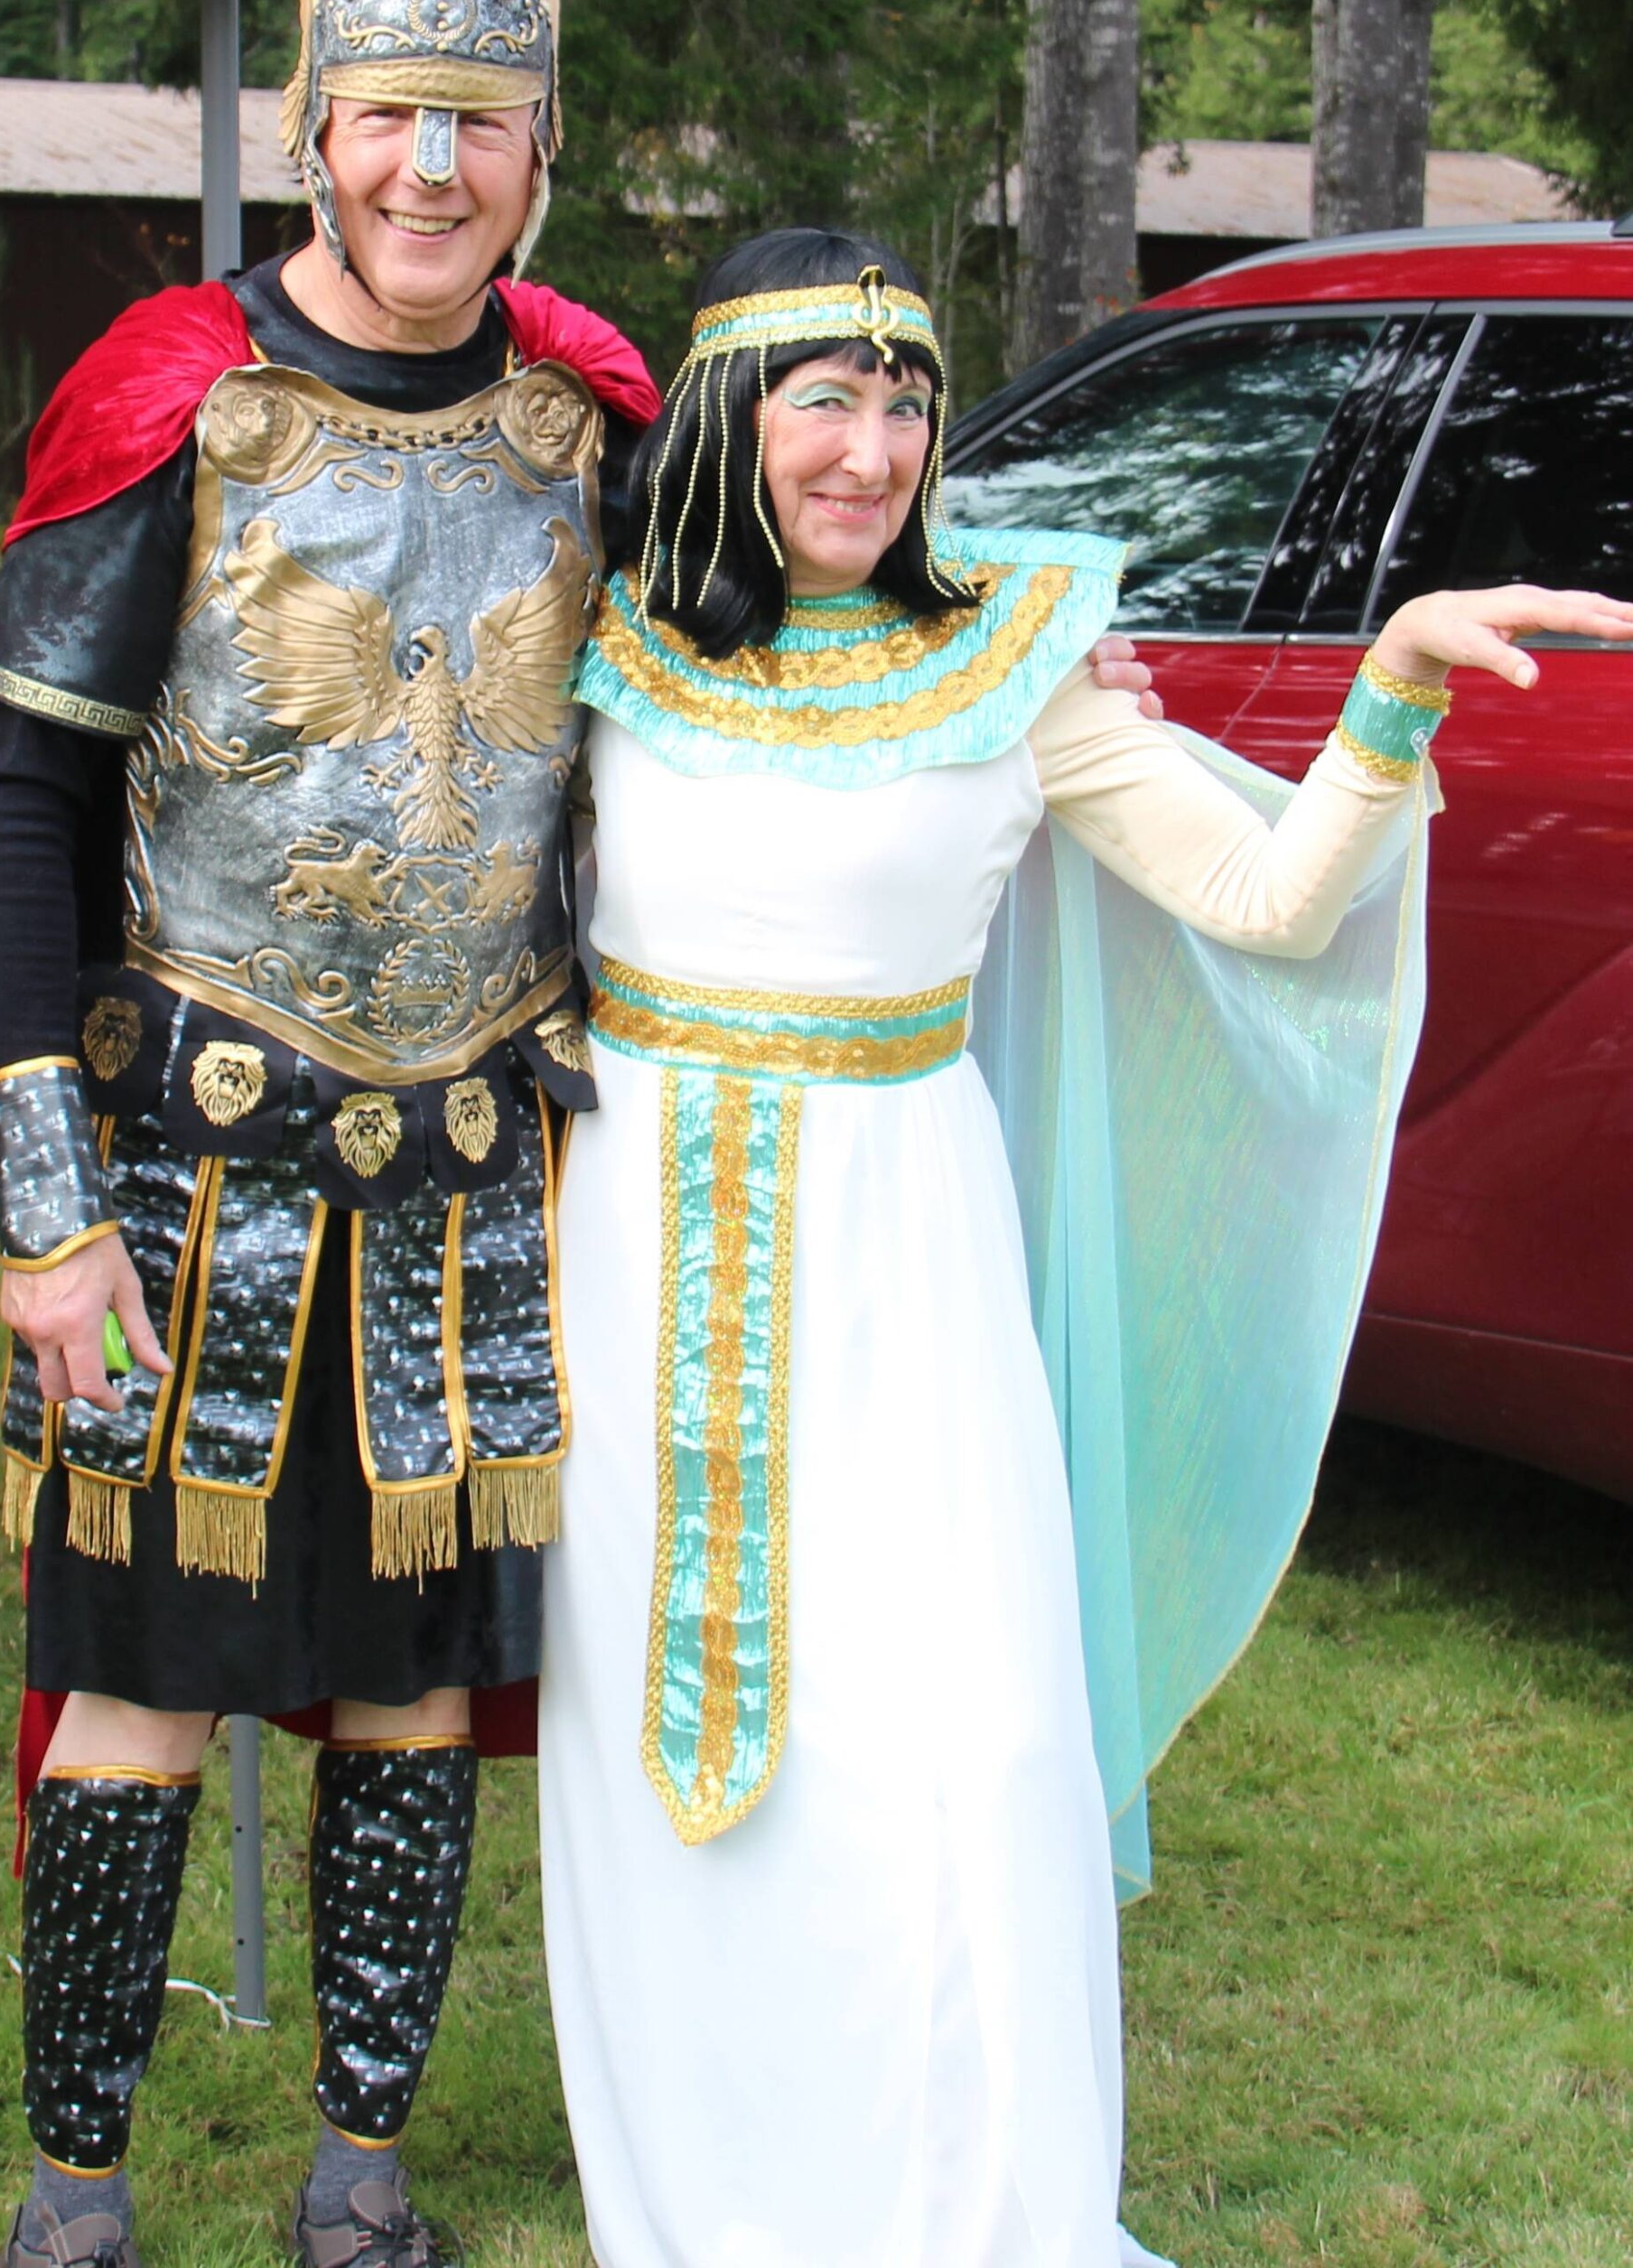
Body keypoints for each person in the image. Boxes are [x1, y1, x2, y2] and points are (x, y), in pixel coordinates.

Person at [534, 226, 1633, 2267]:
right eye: (822, 404)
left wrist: (1387, 684)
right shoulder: (596, 651)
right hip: (633, 1254)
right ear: (726, 421)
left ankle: (971, 2209)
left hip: (906, 1257)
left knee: (961, 1737)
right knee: (658, 1754)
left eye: (905, 404)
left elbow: (1271, 895)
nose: (871, 452)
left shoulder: (1019, 654)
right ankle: (709, 2209)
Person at [0, 0, 666, 2264]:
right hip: (186, 1167)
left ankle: (362, 2163)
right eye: (387, 120)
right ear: (311, 131)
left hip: (469, 1177)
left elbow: (780, 633)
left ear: (543, 151)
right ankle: (78, 2185)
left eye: (480, 124)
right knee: (144, 1701)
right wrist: (53, 1213)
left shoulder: (594, 427)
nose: (430, 172)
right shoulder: (181, 400)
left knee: (410, 1693)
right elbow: (24, 815)